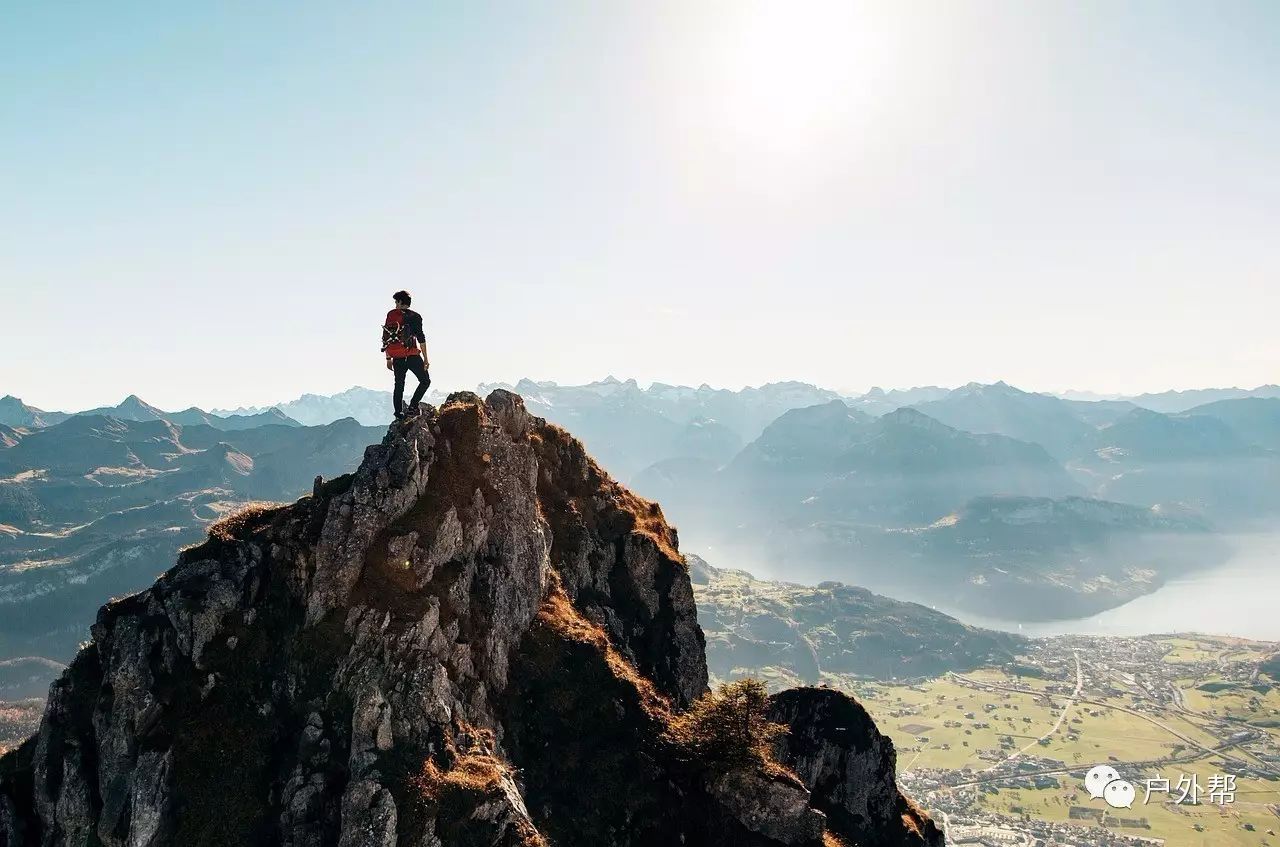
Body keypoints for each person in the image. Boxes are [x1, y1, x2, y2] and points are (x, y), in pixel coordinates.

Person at [382, 290, 430, 419]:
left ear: (400, 302)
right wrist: (425, 358)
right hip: (412, 355)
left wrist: (388, 358)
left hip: (396, 357)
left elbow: (386, 337)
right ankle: (413, 407)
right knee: (425, 381)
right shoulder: (415, 316)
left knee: (399, 385)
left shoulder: (391, 315)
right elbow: (421, 338)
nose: (395, 305)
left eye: (396, 302)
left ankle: (398, 413)